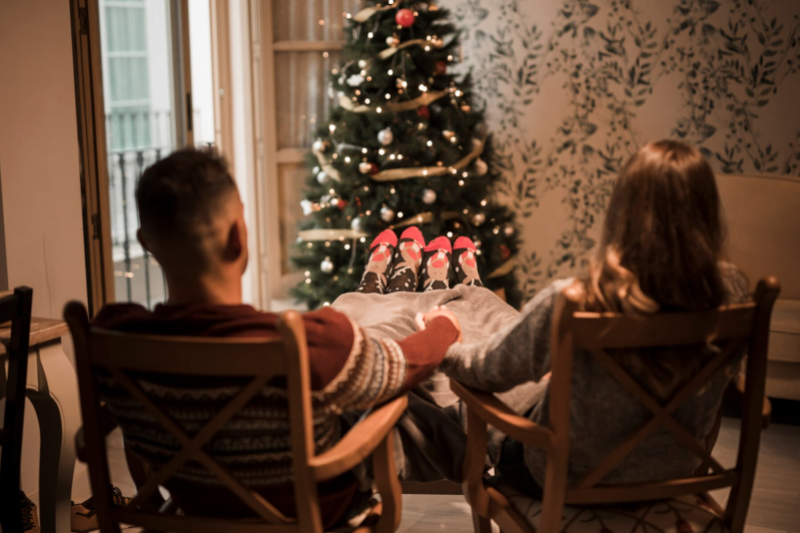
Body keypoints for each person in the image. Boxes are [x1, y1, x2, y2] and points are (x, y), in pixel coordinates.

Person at [91, 148, 463, 527]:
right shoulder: (308, 341)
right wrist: (443, 326)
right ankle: (482, 449)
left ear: (145, 242)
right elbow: (404, 365)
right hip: (318, 519)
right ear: (238, 237)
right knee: (387, 389)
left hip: (198, 511)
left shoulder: (109, 337)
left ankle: (377, 287)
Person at [441, 140, 750, 495]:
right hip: (674, 472)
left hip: (565, 479)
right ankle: (474, 293)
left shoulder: (576, 298)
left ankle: (461, 295)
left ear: (625, 210)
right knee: (537, 370)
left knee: (479, 384)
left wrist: (448, 346)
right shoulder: (733, 291)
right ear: (708, 210)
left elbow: (485, 372)